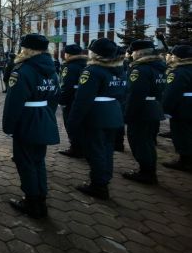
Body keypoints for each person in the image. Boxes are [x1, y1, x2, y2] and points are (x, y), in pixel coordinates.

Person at [3, 34, 60, 218]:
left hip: (26, 120)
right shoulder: (51, 69)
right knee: (38, 160)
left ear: (26, 49)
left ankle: (31, 201)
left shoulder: (23, 70)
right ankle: (41, 198)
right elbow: (54, 96)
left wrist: (9, 126)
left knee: (25, 161)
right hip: (43, 117)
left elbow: (14, 103)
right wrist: (46, 114)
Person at [68, 38, 126, 200]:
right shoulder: (120, 70)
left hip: (96, 115)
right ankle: (104, 179)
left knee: (95, 150)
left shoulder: (92, 71)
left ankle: (98, 185)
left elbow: (82, 100)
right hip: (113, 113)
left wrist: (73, 121)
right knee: (107, 149)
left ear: (96, 53)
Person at [122, 40, 166, 184]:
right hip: (154, 108)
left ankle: (146, 172)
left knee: (139, 141)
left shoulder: (140, 70)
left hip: (141, 111)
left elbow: (135, 94)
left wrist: (128, 115)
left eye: (132, 52)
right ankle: (149, 170)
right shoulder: (159, 67)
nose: (130, 55)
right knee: (148, 142)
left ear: (139, 52)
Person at [161, 45, 192, 172]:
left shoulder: (178, 72)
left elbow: (172, 93)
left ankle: (185, 161)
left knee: (181, 134)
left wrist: (166, 110)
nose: (171, 57)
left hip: (183, 107)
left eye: (173, 55)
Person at [58, 44, 88, 158]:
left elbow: (67, 86)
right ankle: (83, 147)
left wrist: (62, 101)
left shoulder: (69, 67)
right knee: (81, 125)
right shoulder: (87, 64)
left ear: (68, 54)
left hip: (71, 100)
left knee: (70, 124)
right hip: (82, 100)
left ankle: (75, 148)